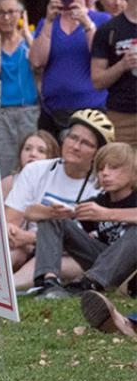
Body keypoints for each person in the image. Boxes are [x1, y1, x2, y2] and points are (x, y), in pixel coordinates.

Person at [3, 110, 107, 294]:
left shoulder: (101, 186)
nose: (75, 146)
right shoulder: (36, 170)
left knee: (50, 256)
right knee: (14, 251)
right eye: (72, 137)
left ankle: (7, 287)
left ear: (96, 153)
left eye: (86, 143)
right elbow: (10, 220)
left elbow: (85, 244)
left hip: (71, 256)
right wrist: (18, 236)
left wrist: (31, 238)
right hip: (26, 245)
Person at [33, 123, 137, 300]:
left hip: (131, 270)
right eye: (102, 168)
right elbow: (30, 212)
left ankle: (89, 282)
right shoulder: (96, 203)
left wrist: (105, 214)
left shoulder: (107, 206)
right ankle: (48, 283)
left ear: (133, 172)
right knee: (53, 217)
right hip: (101, 264)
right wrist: (53, 211)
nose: (105, 173)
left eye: (114, 168)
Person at [30, 0, 110, 137]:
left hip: (92, 109)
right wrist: (49, 22)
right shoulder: (47, 23)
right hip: (53, 111)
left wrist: (86, 23)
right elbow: (37, 61)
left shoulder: (102, 20)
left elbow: (101, 55)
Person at [0, 0, 41, 173]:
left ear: (21, 14)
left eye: (12, 12)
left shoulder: (31, 41)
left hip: (30, 112)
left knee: (32, 168)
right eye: (0, 13)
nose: (6, 17)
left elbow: (40, 63)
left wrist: (28, 35)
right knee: (3, 170)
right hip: (1, 114)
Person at [90, 0, 136, 143]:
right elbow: (97, 81)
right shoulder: (108, 31)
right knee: (121, 169)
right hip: (122, 117)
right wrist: (123, 65)